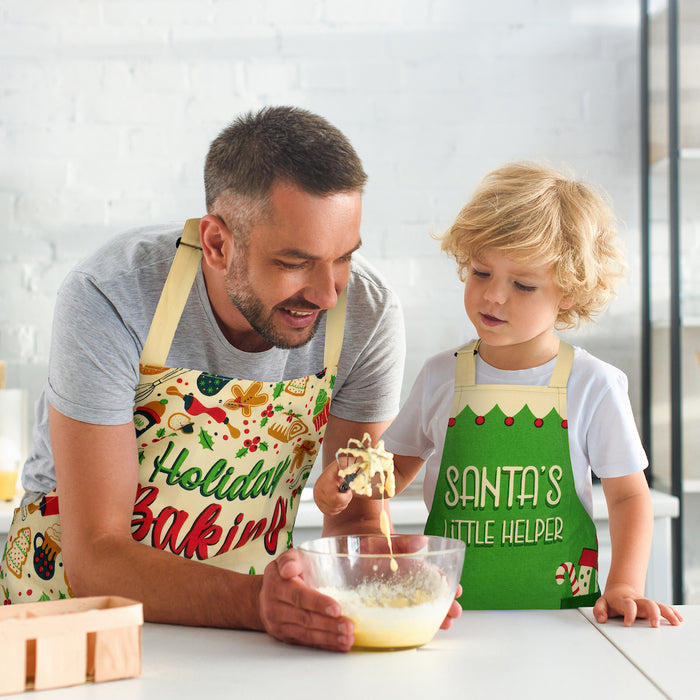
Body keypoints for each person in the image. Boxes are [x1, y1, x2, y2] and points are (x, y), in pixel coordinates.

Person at [0, 106, 409, 651]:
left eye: (343, 259)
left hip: (249, 640)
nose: (329, 294)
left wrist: (386, 586)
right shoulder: (112, 295)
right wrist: (255, 604)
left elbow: (357, 521)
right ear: (217, 243)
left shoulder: (368, 313)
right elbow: (97, 554)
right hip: (75, 632)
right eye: (294, 262)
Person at [314, 161, 683, 627]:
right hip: (452, 615)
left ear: (568, 292)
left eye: (522, 285)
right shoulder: (439, 376)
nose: (493, 297)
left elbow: (629, 497)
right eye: (481, 273)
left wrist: (625, 585)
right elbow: (394, 469)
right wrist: (343, 487)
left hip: (564, 621)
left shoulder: (594, 384)